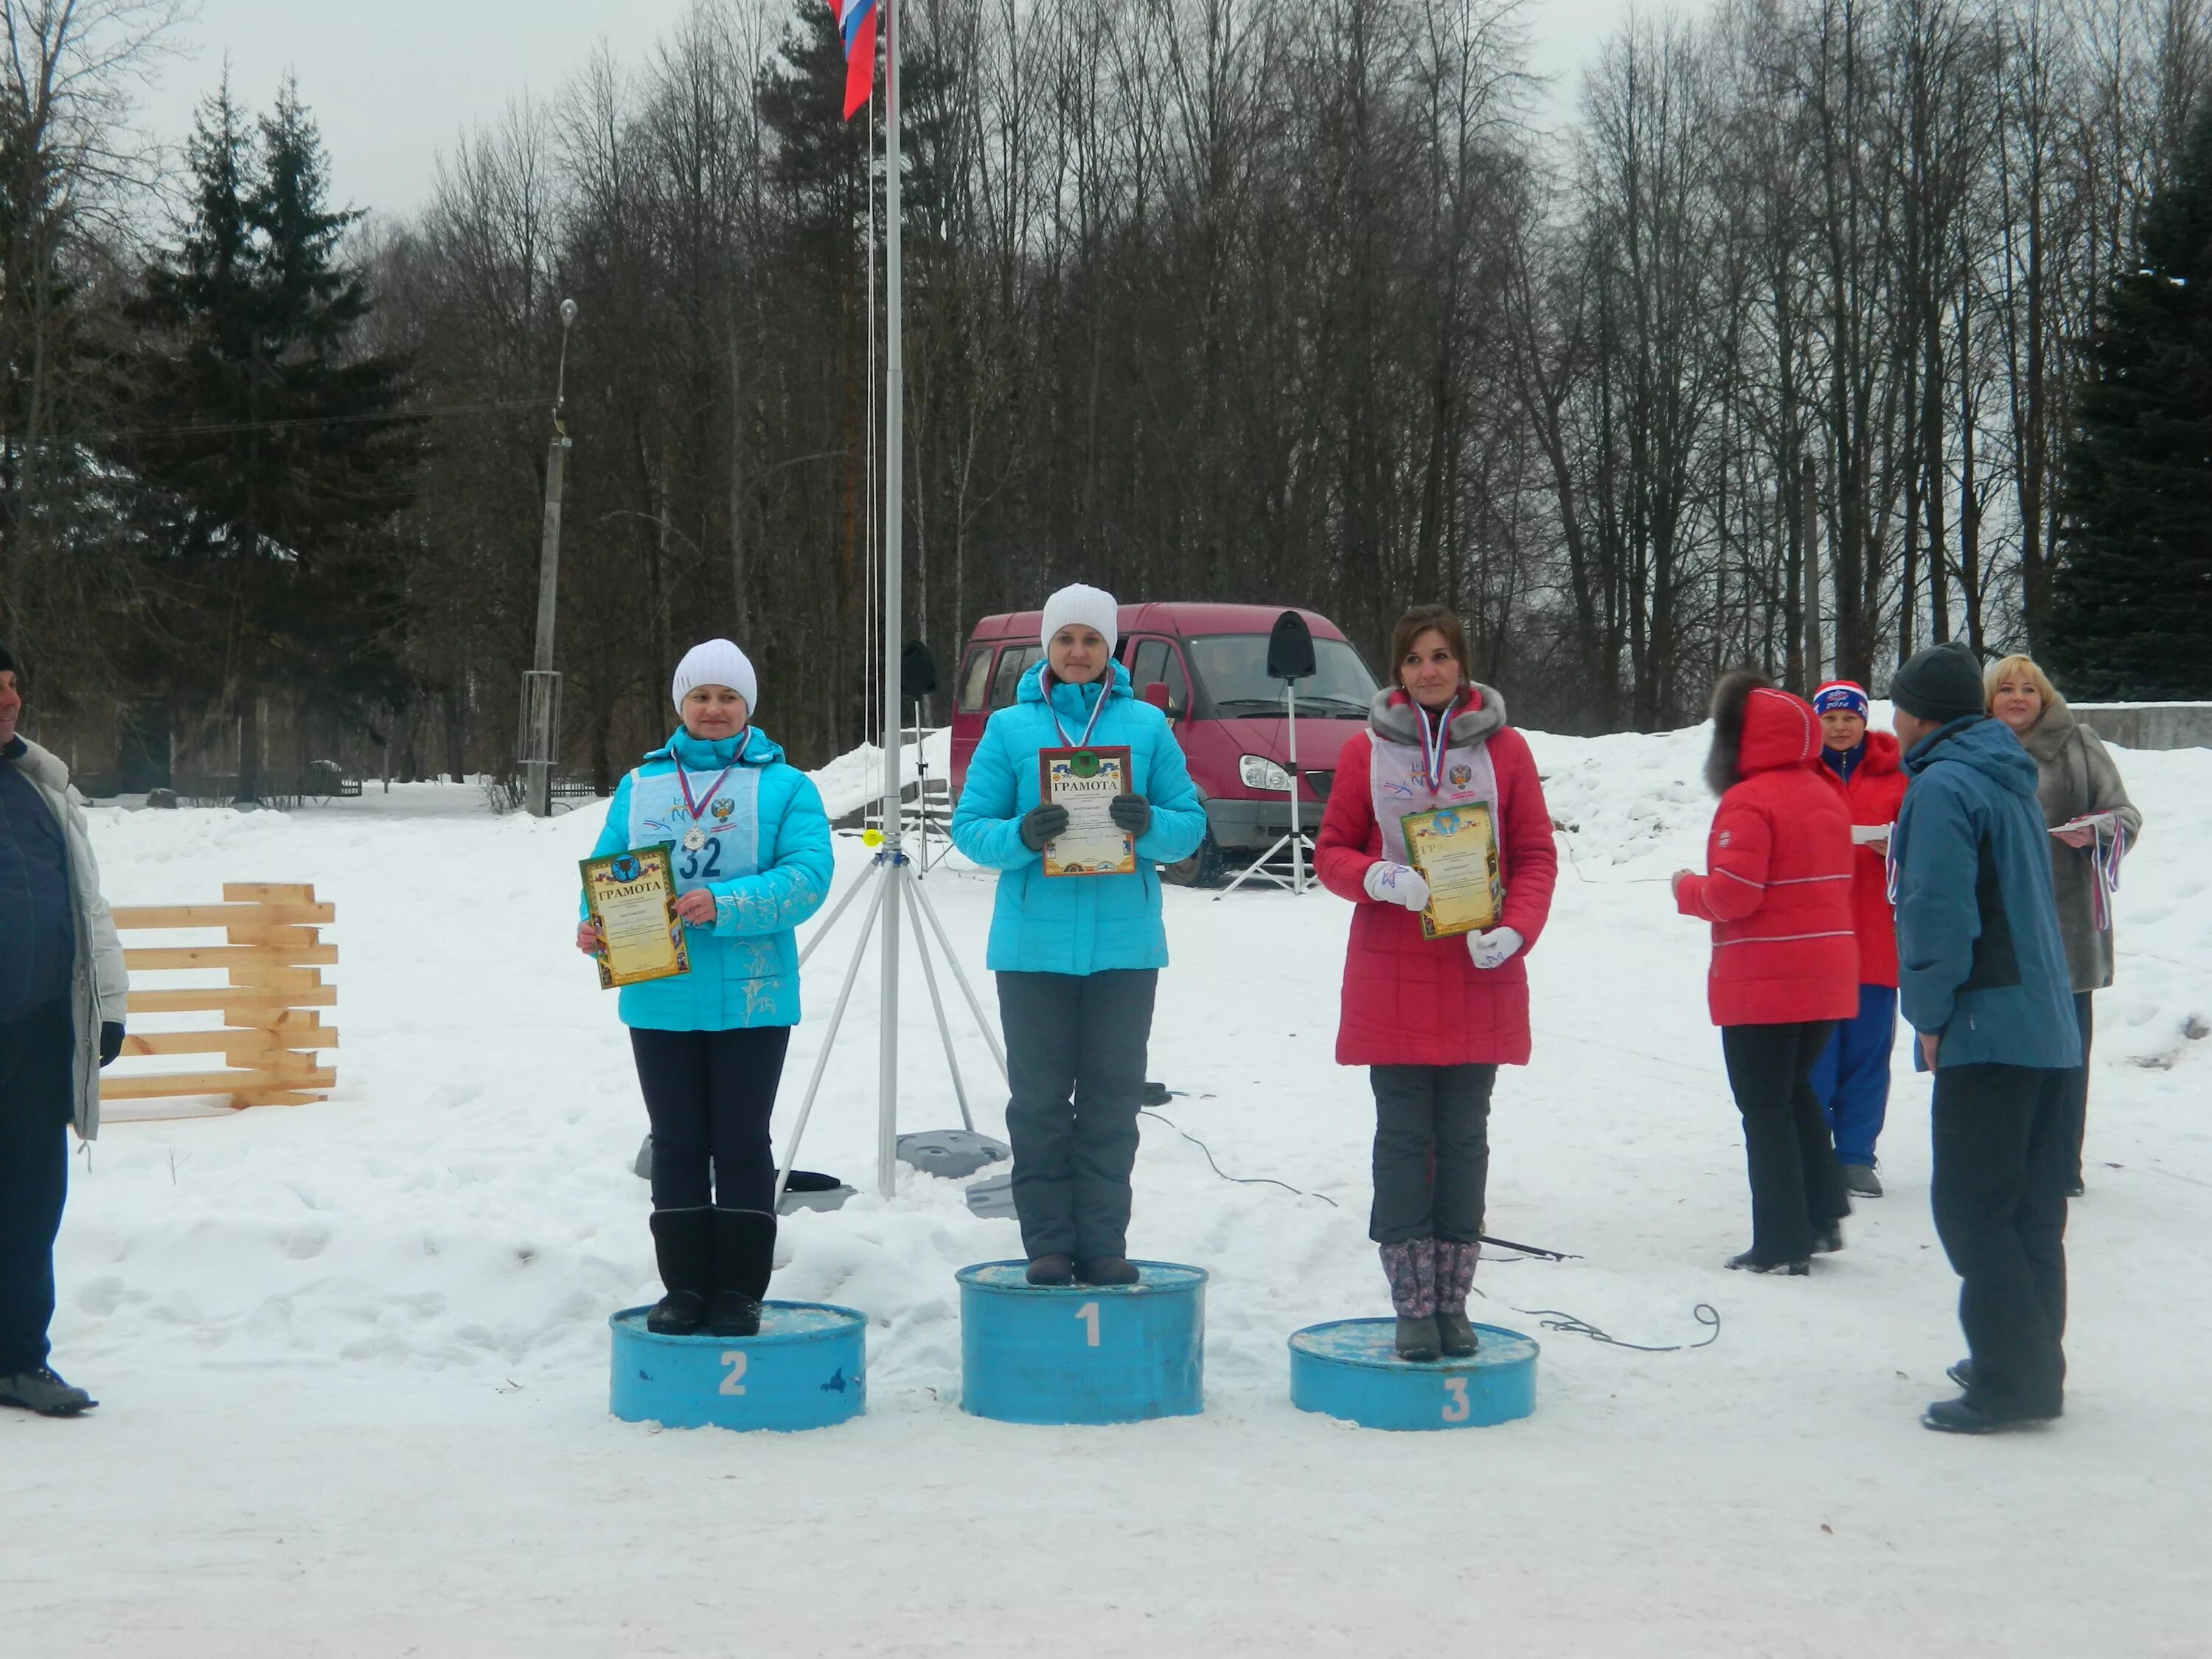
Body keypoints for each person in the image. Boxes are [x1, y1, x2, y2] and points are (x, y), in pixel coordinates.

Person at [1315, 607, 1558, 1362]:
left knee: (1463, 1142)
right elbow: (1330, 852)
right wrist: (1378, 877)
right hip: (1395, 974)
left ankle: (1455, 1301)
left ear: (1464, 665)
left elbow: (1535, 855)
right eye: (1416, 658)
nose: (1430, 670)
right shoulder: (1365, 752)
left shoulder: (1506, 751)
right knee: (1403, 1140)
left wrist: (1517, 928)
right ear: (1397, 670)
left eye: (1443, 656)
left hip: (1478, 971)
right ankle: (1412, 1304)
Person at [950, 583, 1205, 1287]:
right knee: (1037, 1103)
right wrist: (1020, 837)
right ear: (1047, 646)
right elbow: (970, 827)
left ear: (1111, 647)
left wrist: (1147, 822)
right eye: (1065, 639)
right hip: (1032, 949)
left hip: (1125, 948)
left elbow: (1191, 824)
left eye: (1092, 640)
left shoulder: (1148, 727)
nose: (1078, 652)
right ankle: (1049, 1246)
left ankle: (1103, 1242)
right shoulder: (1010, 729)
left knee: (1111, 1100)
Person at [577, 639, 832, 1338]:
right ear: (680, 704)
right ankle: (685, 1288)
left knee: (743, 1142)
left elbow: (809, 876)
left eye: (728, 698)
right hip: (659, 991)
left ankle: (740, 1291)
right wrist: (593, 923)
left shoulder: (788, 787)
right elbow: (608, 864)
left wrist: (728, 903)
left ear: (748, 706)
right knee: (678, 1143)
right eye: (701, 697)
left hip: (753, 994)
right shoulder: (640, 784)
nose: (714, 710)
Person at [1888, 641, 2081, 1434]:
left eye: (1894, 705)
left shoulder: (1942, 786)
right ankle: (2033, 1358)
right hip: (2048, 1024)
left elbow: (1939, 912)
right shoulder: (2007, 778)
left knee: (1973, 1210)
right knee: (2029, 1210)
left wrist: (1930, 1015)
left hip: (1987, 1024)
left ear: (1919, 714)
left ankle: (2012, 1381)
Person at [1673, 672, 1857, 1275]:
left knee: (1765, 1107)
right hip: (1827, 973)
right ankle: (1821, 1215)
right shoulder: (1826, 791)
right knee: (1794, 1090)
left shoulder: (1748, 800)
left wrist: (1685, 889)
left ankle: (1781, 1243)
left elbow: (1735, 895)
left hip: (1766, 979)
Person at [0, 644, 128, 1416]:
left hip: (40, 1031)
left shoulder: (41, 786)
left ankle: (18, 1359)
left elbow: (87, 907)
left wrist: (107, 1006)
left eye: (12, 686)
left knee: (30, 1200)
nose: (8, 700)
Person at [1986, 654, 2143, 1197]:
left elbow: (2125, 815)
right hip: (2001, 930)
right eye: (2006, 689)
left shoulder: (2080, 743)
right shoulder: (1976, 753)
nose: (2018, 698)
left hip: (2069, 930)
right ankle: (2008, 1157)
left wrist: (2097, 829)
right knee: (2009, 1051)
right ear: (1989, 699)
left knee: (2069, 1053)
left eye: (2029, 689)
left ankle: (2059, 1165)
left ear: (2044, 697)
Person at [1806, 681, 1910, 1199]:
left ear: (1864, 721)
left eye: (1850, 718)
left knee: (1867, 1053)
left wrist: (1893, 847)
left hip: (1875, 937)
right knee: (1816, 1054)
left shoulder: (1899, 778)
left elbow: (1923, 842)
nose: (1841, 727)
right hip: (1815, 941)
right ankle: (1812, 1149)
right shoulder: (1800, 773)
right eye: (1831, 718)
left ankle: (1855, 1156)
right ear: (1817, 723)